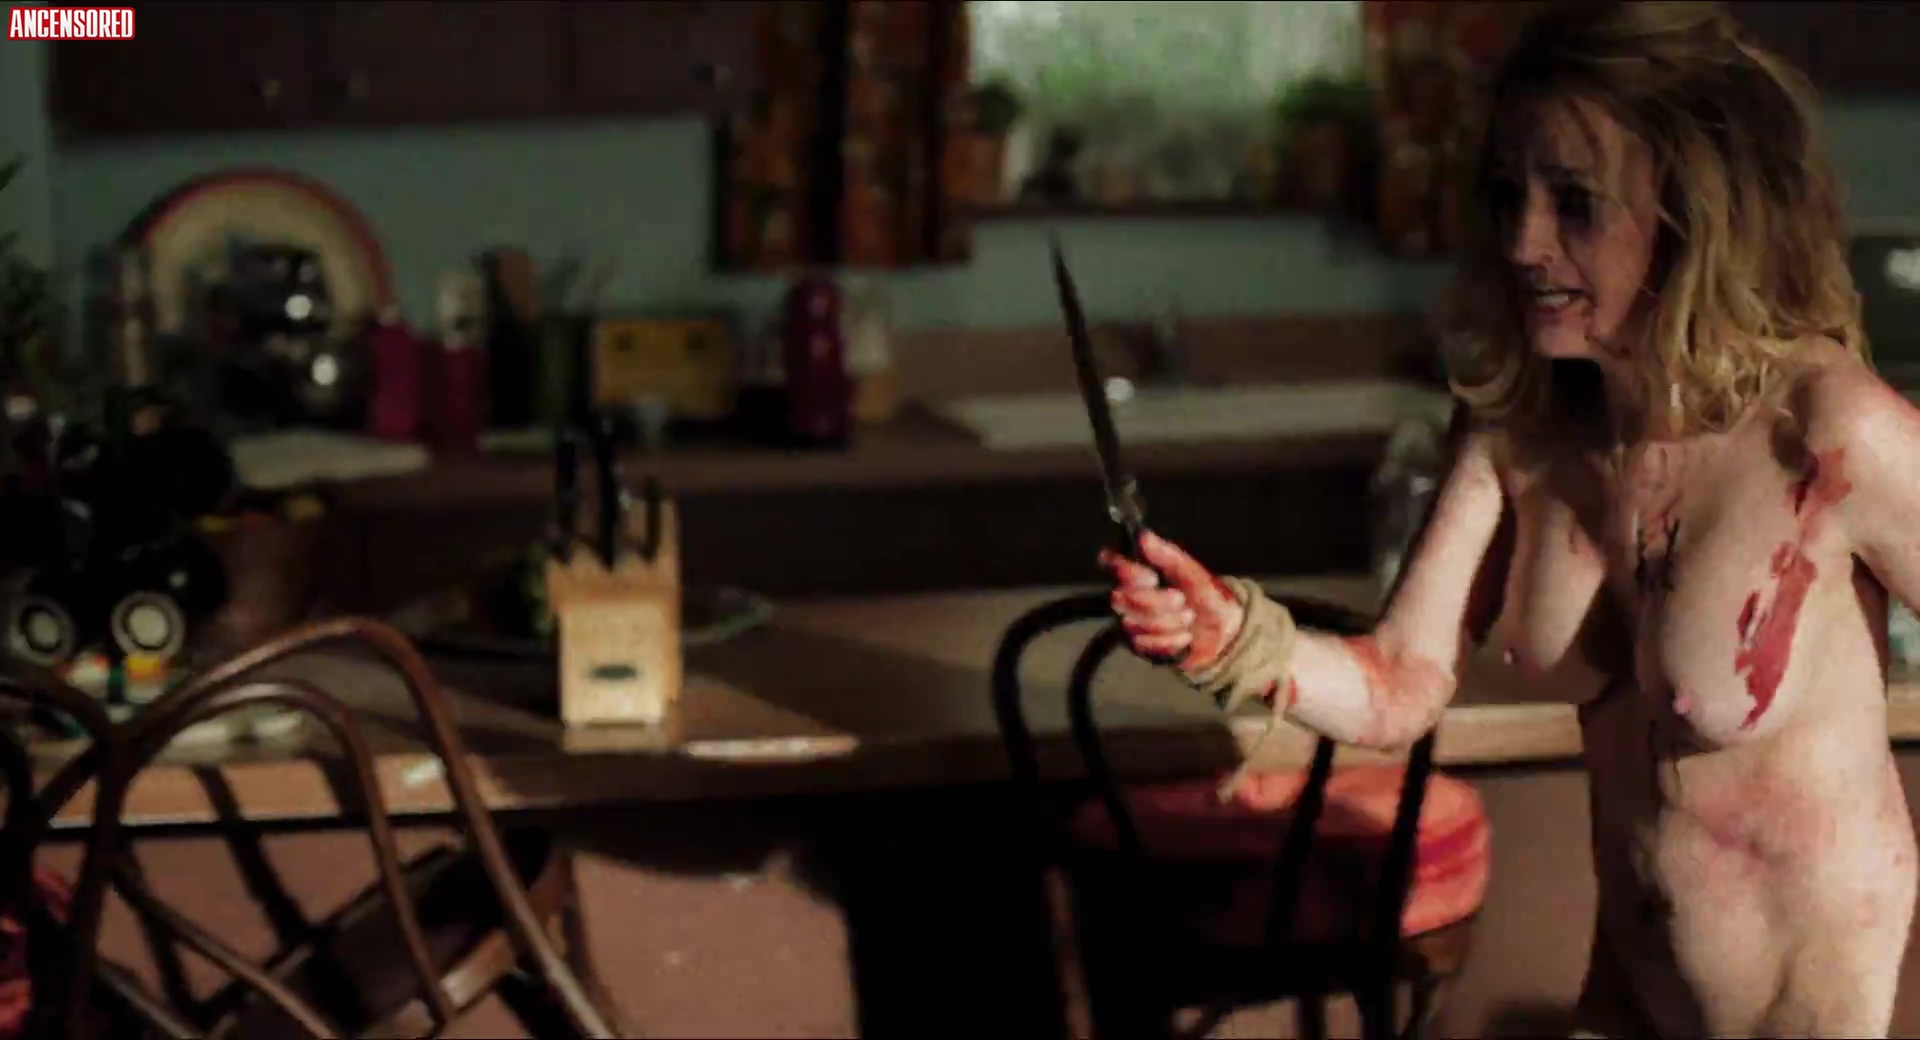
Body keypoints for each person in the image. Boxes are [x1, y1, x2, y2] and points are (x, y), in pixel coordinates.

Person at [1101, 2, 1919, 1036]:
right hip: (1620, 1011)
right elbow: (1400, 682)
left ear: (1692, 212)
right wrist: (1236, 640)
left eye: (1575, 203)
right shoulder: (1521, 429)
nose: (1525, 242)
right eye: (1507, 196)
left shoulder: (1830, 434)